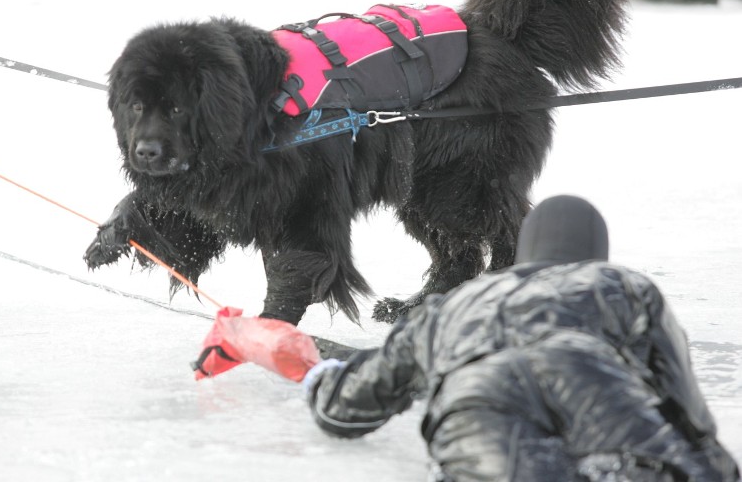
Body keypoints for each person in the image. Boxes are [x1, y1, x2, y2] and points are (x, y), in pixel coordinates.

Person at [304, 195, 740, 481]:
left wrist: (322, 379)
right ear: (596, 252)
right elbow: (685, 407)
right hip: (593, 385)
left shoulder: (454, 304)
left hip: (476, 399)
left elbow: (345, 411)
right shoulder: (619, 283)